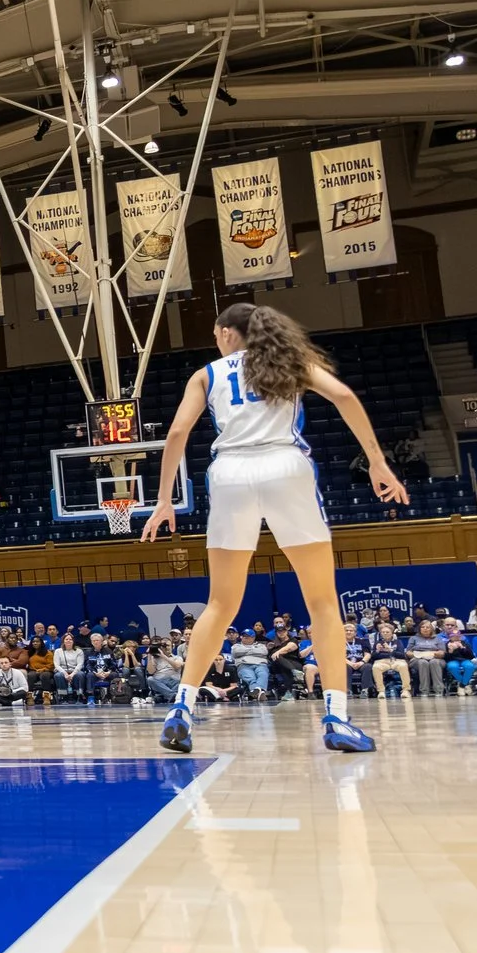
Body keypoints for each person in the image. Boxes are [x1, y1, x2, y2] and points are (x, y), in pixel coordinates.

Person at [143, 303, 407, 753]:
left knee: (220, 604)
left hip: (230, 475)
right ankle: (337, 719)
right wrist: (378, 463)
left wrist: (165, 499)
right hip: (286, 467)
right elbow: (344, 396)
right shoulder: (288, 360)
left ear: (227, 333)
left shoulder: (207, 373)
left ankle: (181, 708)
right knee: (323, 603)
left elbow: (176, 434)